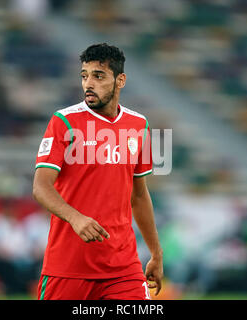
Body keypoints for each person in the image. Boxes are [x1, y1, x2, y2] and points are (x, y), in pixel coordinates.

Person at [32, 43, 163, 300]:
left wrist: (156, 253)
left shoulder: (139, 125)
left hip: (123, 268)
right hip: (68, 267)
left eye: (98, 76)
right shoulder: (64, 122)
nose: (88, 83)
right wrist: (75, 217)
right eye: (84, 75)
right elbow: (41, 187)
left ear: (120, 80)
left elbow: (138, 196)